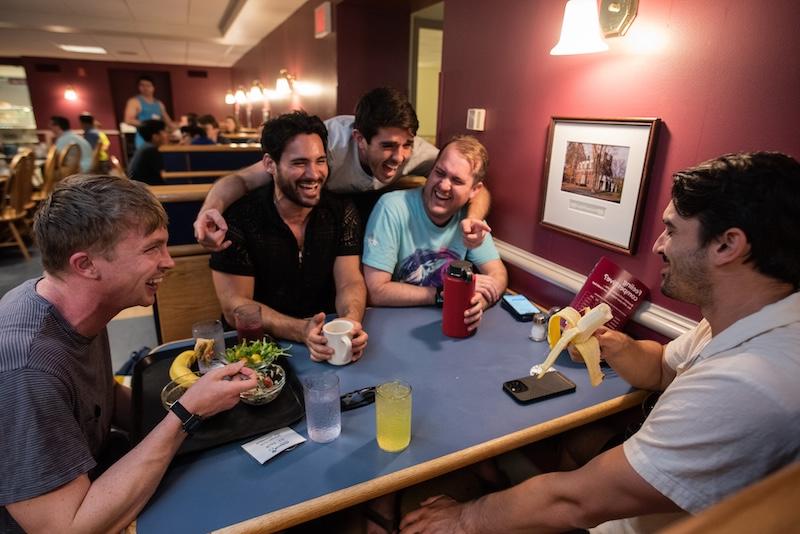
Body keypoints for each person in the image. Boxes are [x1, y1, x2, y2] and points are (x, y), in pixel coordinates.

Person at [398, 152, 800, 534]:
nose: (659, 245)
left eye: (672, 230)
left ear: (727, 245)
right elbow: (662, 365)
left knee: (411, 502)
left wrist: (465, 520)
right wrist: (615, 344)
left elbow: (576, 503)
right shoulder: (748, 318)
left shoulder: (745, 383)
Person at [0, 175, 257, 533]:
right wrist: (187, 412)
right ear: (86, 265)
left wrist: (202, 403)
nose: (169, 262)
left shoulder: (78, 307)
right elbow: (65, 528)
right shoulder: (28, 368)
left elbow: (96, 405)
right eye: (152, 249)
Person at [194, 87, 492, 252]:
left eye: (407, 145)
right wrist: (211, 209)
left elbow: (476, 188)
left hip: (375, 223)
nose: (399, 157)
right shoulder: (325, 147)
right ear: (359, 139)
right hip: (322, 221)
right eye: (388, 146)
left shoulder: (413, 152)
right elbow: (242, 180)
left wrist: (473, 219)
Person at [210, 110, 368, 363]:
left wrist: (351, 320)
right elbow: (235, 306)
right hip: (257, 352)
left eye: (320, 160)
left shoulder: (341, 211)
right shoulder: (240, 218)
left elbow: (349, 282)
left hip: (324, 343)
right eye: (299, 163)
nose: (314, 173)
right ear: (270, 165)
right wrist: (300, 330)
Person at [363, 135, 507, 332]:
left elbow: (498, 274)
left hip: (446, 328)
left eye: (456, 180)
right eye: (440, 173)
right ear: (430, 171)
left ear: (474, 190)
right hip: (394, 326)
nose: (444, 185)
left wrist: (479, 301)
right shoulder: (391, 207)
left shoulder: (470, 220)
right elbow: (375, 291)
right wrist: (442, 294)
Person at [124, 75, 175, 149]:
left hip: (159, 140)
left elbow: (169, 123)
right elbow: (128, 120)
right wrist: (149, 125)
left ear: (153, 87)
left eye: (148, 85)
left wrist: (181, 128)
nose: (145, 88)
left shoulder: (159, 104)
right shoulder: (134, 101)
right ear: (139, 87)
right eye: (142, 85)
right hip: (144, 139)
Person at [127, 119, 167, 185]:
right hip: (147, 189)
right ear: (155, 136)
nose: (167, 135)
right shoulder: (151, 150)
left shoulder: (145, 148)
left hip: (140, 187)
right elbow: (163, 176)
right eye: (164, 132)